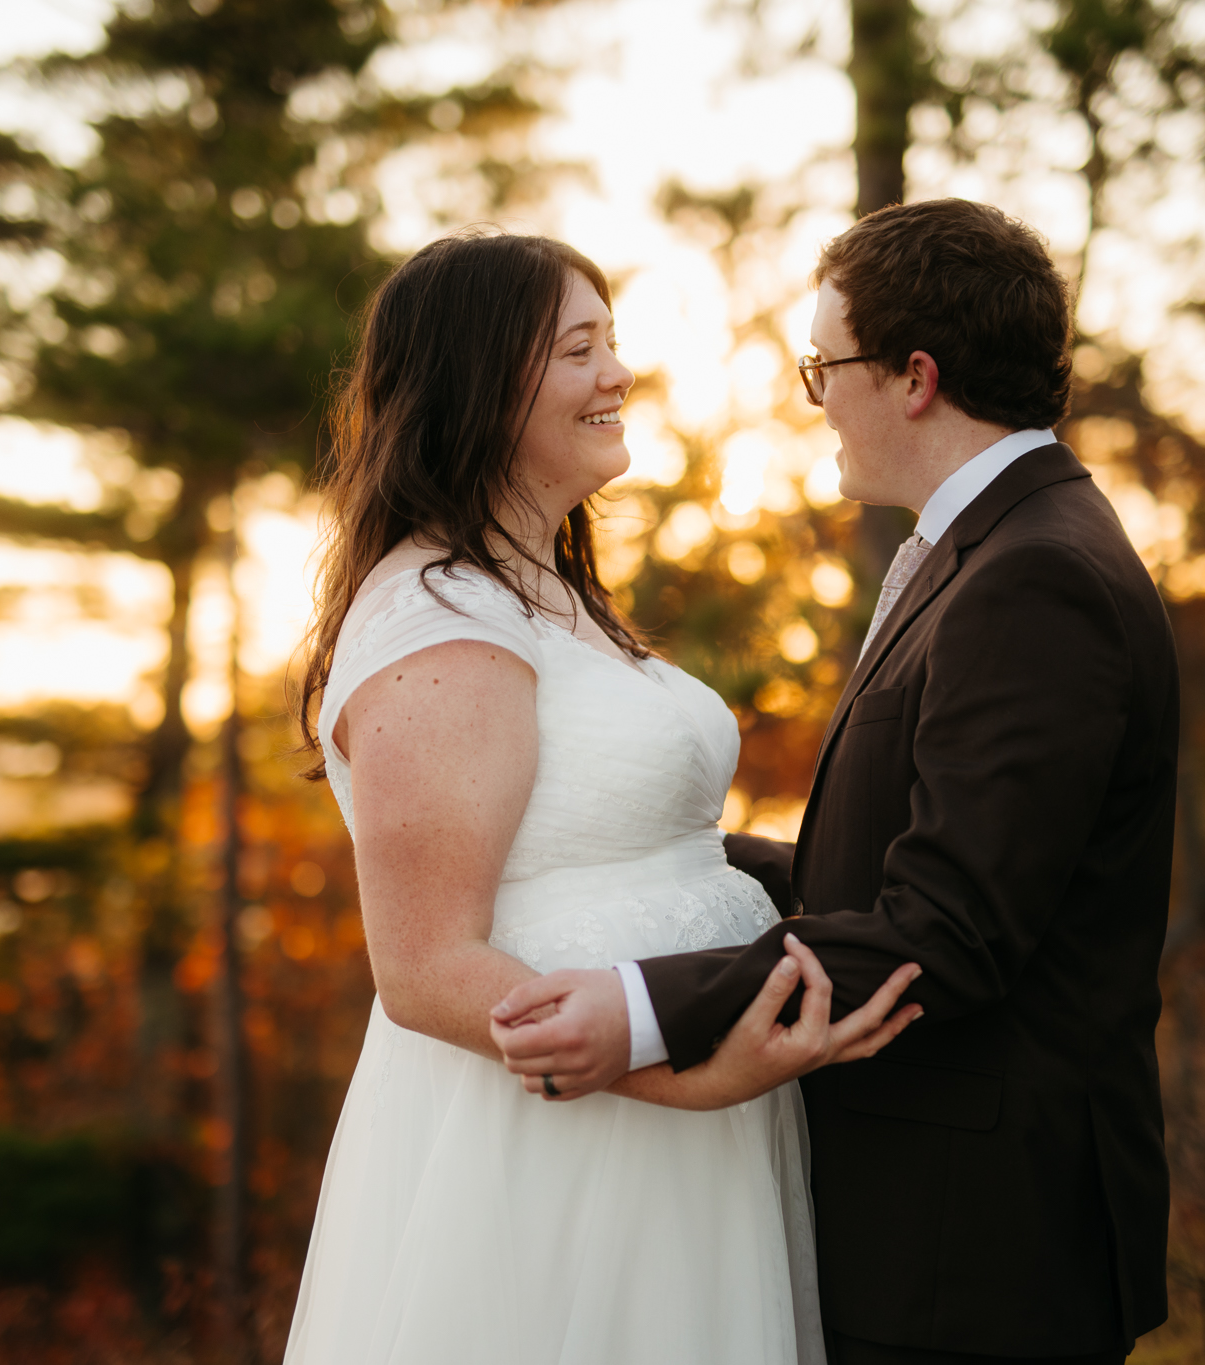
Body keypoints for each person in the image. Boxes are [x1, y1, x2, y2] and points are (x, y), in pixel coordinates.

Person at [493, 199, 1180, 1365]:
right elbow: (904, 861)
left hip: (973, 1240)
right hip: (946, 1217)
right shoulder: (988, 548)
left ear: (913, 377)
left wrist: (644, 1009)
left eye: (825, 366)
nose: (814, 400)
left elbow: (946, 930)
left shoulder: (1032, 578)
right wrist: (666, 854)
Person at [280, 228, 921, 1365]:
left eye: (610, 343)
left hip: (679, 1121)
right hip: (573, 1145)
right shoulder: (436, 615)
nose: (617, 375)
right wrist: (685, 1079)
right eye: (580, 349)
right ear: (480, 383)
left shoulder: (542, 589)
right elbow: (426, 968)